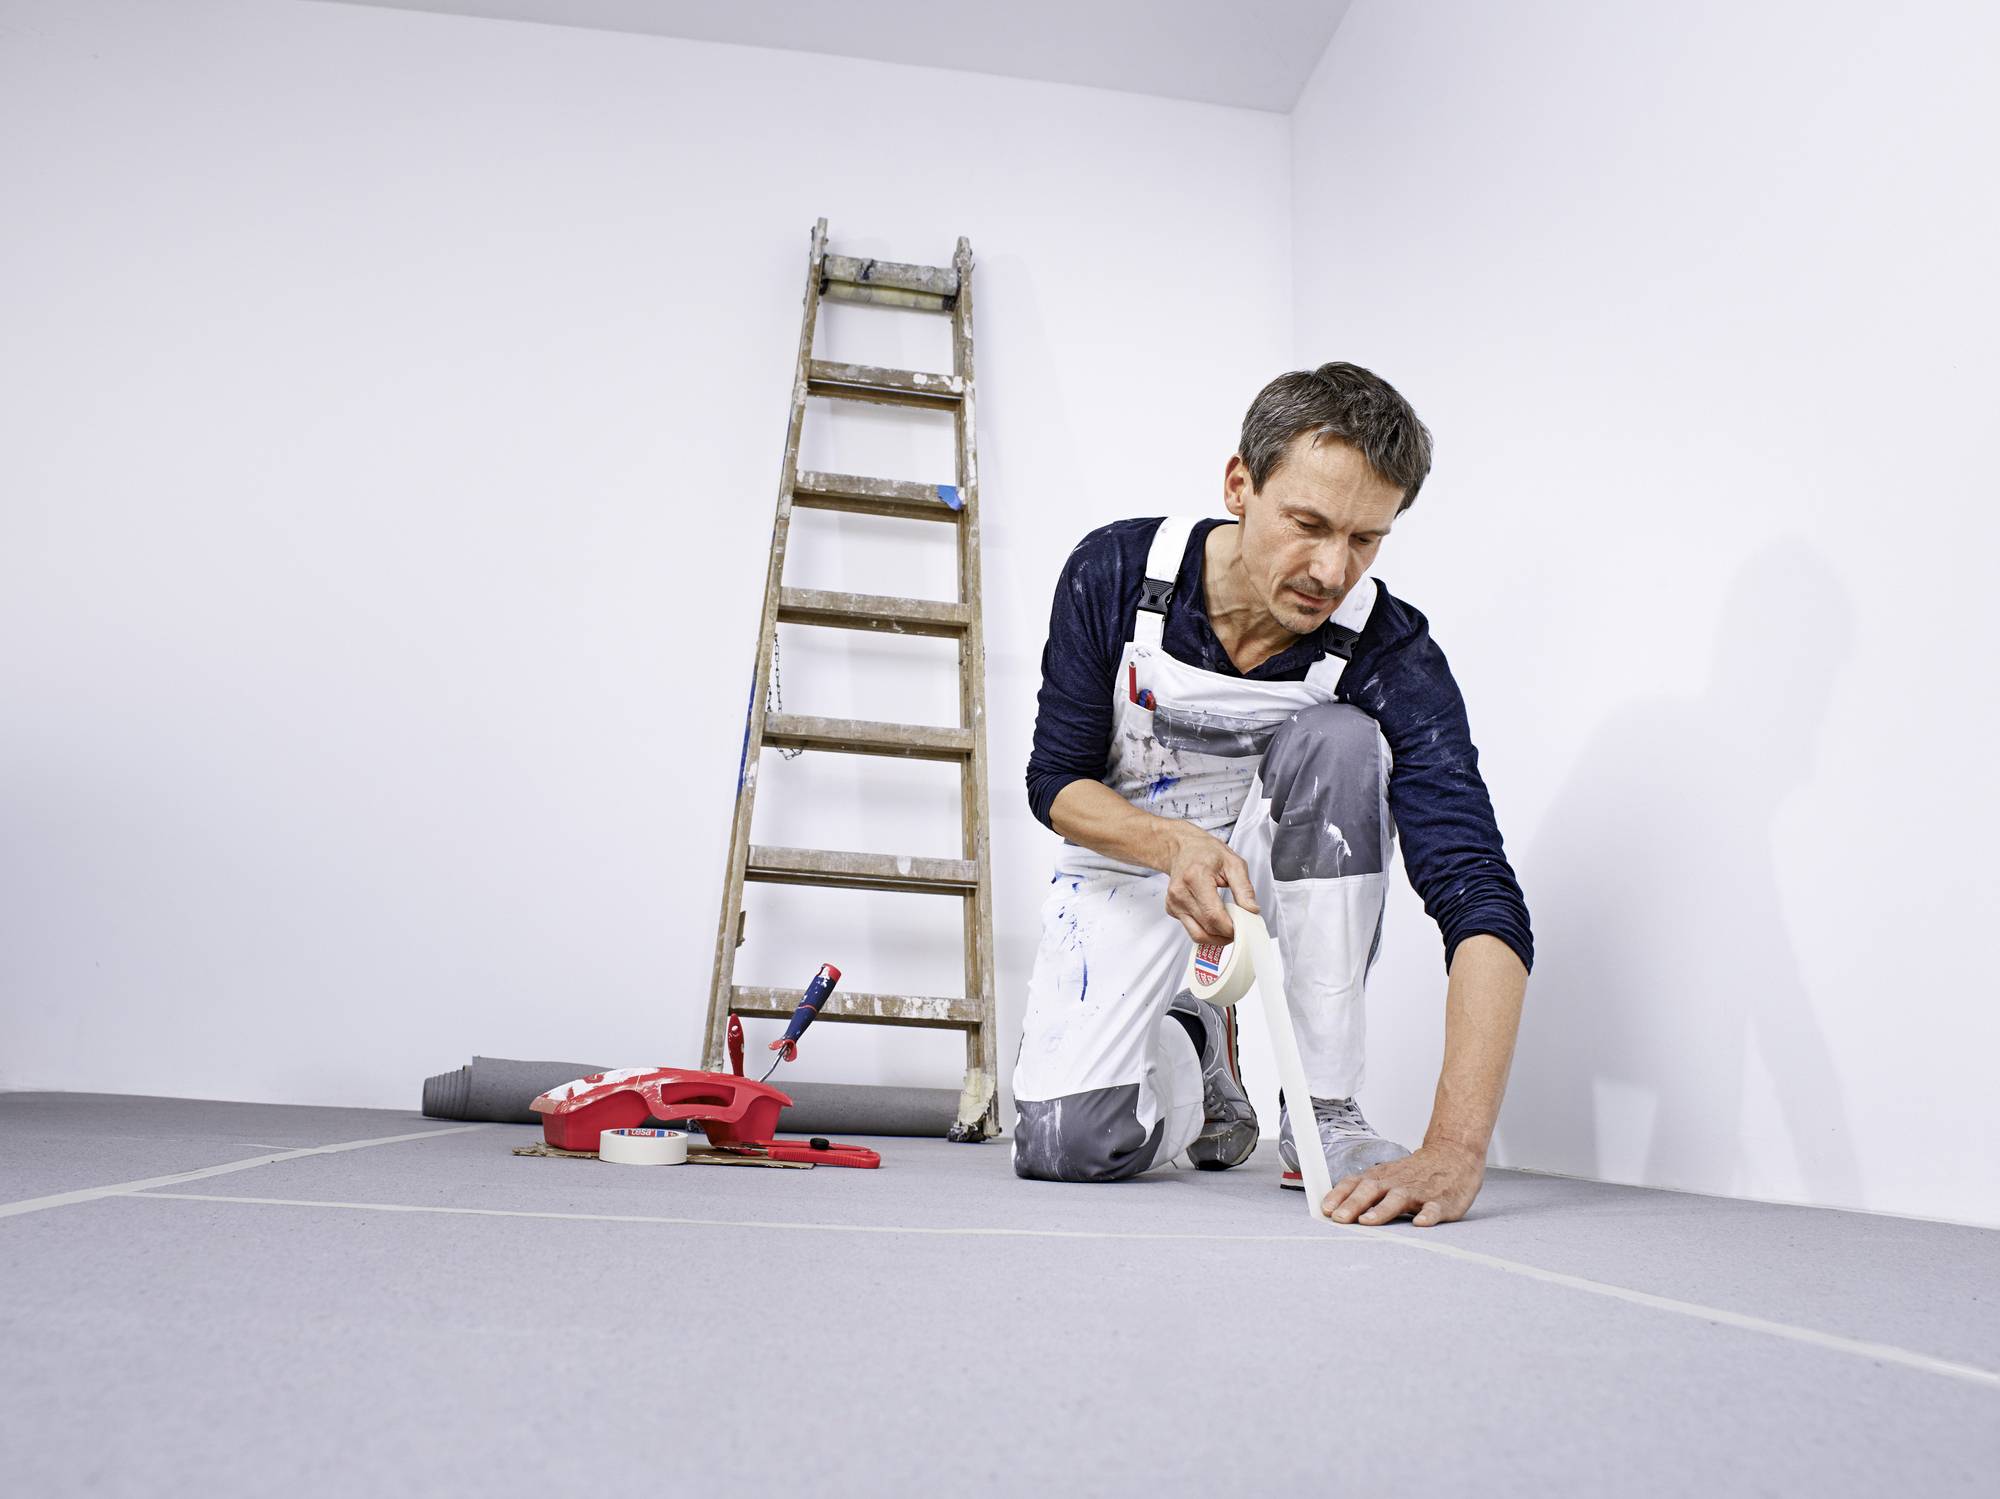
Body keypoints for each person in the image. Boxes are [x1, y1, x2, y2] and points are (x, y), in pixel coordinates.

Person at [1012, 362, 1534, 1227]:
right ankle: (1196, 1040)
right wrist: (1174, 846)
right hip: (1131, 859)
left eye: (1367, 538)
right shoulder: (1114, 572)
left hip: (1280, 867)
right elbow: (1054, 782)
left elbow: (1480, 894)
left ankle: (1322, 1104)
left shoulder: (1391, 652)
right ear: (1239, 486)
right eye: (1308, 524)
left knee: (1341, 736)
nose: (1333, 568)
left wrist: (1454, 1149)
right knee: (1067, 1146)